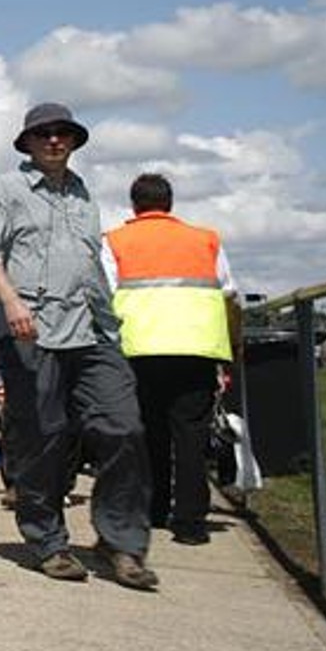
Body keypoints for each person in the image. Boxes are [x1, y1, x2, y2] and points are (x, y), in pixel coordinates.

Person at [0, 102, 155, 590]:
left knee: (124, 427)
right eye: (43, 134)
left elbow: (90, 263)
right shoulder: (6, 190)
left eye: (62, 133)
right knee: (45, 436)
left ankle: (122, 542)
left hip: (91, 330)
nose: (54, 140)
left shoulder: (83, 193)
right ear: (26, 142)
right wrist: (10, 303)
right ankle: (48, 540)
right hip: (34, 329)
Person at [102, 173, 242, 545]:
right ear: (170, 203)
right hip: (195, 348)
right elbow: (228, 290)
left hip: (141, 349)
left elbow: (105, 294)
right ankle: (192, 522)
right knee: (191, 436)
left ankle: (156, 509)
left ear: (134, 205)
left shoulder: (115, 240)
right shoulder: (206, 239)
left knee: (151, 433)